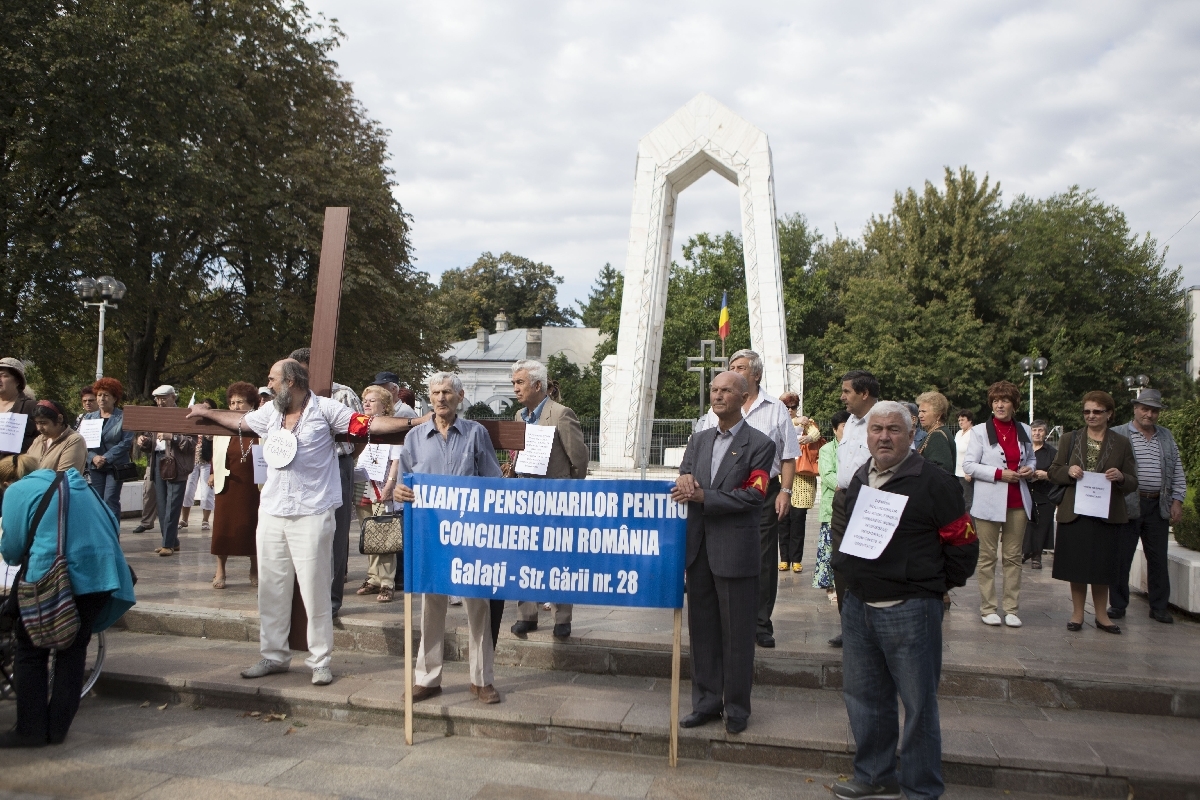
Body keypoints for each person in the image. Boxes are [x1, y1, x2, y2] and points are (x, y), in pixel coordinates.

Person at [186, 359, 424, 686]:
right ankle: (273, 656)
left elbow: (367, 425)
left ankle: (320, 661)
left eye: (273, 380)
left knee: (315, 589)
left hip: (313, 512)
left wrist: (417, 422)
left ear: (292, 382)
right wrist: (210, 413)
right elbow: (241, 421)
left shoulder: (326, 410)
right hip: (272, 511)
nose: (268, 386)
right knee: (271, 588)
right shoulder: (271, 412)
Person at [831, 401, 978, 800]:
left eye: (893, 429)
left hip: (911, 611)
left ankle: (921, 788)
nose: (883, 436)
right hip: (860, 608)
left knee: (918, 706)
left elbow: (963, 546)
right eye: (876, 429)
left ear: (911, 434)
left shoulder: (935, 482)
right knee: (864, 699)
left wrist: (929, 587)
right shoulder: (862, 478)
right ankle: (875, 774)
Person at [0, 460, 136, 748]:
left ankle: (30, 730)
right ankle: (57, 729)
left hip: (53, 577)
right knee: (73, 653)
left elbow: (12, 552)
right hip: (101, 576)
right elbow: (111, 522)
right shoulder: (78, 482)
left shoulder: (17, 492)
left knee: (31, 651)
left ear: (5, 483)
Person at [672, 370, 774, 734]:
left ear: (743, 396)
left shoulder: (760, 444)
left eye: (726, 390)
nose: (717, 396)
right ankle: (706, 702)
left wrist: (704, 496)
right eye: (714, 390)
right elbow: (685, 478)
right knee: (702, 633)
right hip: (698, 551)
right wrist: (683, 481)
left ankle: (737, 708)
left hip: (735, 552)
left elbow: (754, 495)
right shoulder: (698, 440)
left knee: (736, 635)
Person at [393, 372, 503, 704]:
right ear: (429, 396)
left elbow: (493, 481)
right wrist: (400, 493)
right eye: (435, 392)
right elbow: (403, 485)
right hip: (431, 533)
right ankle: (427, 679)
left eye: (447, 393)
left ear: (460, 396)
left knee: (478, 605)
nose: (441, 398)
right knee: (431, 606)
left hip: (470, 533)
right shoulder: (414, 437)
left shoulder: (475, 433)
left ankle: (481, 679)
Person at [694, 349, 798, 649]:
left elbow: (789, 454)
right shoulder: (712, 414)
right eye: (731, 367)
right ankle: (726, 620)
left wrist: (786, 492)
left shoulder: (775, 409)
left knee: (763, 559)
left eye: (741, 368)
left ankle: (761, 622)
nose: (735, 371)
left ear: (756, 375)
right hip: (716, 495)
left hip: (760, 493)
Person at [508, 359, 590, 639]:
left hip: (556, 500)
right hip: (524, 499)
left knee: (558, 557)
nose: (515, 388)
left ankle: (562, 617)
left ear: (537, 385)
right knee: (524, 556)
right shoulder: (520, 417)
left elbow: (578, 459)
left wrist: (566, 490)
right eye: (514, 383)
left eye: (520, 383)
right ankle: (526, 615)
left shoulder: (561, 413)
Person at [1048, 391, 1137, 634]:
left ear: (1109, 414)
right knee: (1076, 566)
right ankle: (1077, 614)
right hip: (1075, 511)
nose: (1091, 416)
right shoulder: (1070, 438)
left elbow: (1133, 481)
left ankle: (1101, 616)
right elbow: (1053, 472)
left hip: (1106, 513)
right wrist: (1069, 471)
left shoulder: (1121, 442)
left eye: (1097, 411)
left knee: (1103, 566)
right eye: (1087, 411)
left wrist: (1120, 477)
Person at [288, 348, 363, 619]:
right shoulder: (290, 396)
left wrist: (343, 460)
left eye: (297, 369)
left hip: (336, 464)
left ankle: (330, 602)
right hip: (300, 467)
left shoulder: (342, 394)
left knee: (334, 533)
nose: (291, 376)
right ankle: (300, 597)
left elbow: (361, 433)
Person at [963, 381, 1036, 628]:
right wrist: (998, 473)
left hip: (1017, 501)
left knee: (1014, 557)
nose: (999, 405)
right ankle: (988, 607)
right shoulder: (980, 431)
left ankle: (1012, 608)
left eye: (1004, 400)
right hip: (988, 502)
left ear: (1014, 404)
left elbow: (1032, 458)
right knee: (987, 557)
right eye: (995, 401)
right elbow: (969, 465)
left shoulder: (1023, 429)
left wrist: (1030, 469)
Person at [1110, 389, 1183, 624]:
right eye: (1145, 409)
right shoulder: (1118, 434)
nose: (1149, 414)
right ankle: (1118, 605)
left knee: (1158, 558)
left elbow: (1177, 470)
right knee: (1122, 556)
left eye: (1154, 410)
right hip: (1127, 502)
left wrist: (1177, 500)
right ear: (1135, 408)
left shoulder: (1166, 437)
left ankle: (1159, 606)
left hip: (1157, 504)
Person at [829, 370, 881, 649]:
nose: (842, 397)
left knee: (867, 564)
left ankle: (872, 627)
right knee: (841, 563)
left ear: (864, 393)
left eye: (847, 391)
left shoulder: (883, 420)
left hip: (871, 499)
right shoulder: (849, 421)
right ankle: (849, 625)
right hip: (844, 499)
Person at [208, 382, 261, 590]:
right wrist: (213, 471)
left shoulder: (260, 426)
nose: (235, 406)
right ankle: (220, 570)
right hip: (227, 484)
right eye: (231, 402)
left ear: (251, 405)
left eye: (240, 402)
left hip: (253, 485)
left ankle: (255, 568)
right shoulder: (222, 426)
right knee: (223, 526)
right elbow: (216, 452)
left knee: (253, 526)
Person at [353, 384, 402, 603]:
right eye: (366, 400)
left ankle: (387, 582)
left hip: (381, 485)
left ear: (385, 404)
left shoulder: (392, 425)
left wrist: (390, 484)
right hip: (361, 483)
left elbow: (396, 459)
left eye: (372, 400)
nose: (367, 404)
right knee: (368, 532)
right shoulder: (360, 426)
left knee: (384, 534)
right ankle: (373, 578)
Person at [136, 385, 195, 557]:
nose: (159, 402)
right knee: (161, 505)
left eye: (163, 398)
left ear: (173, 397)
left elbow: (191, 443)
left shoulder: (185, 416)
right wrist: (144, 441)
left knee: (173, 505)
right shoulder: (155, 416)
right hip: (158, 461)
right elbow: (150, 441)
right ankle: (172, 541)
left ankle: (167, 544)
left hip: (177, 464)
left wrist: (173, 437)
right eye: (157, 399)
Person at [81, 378, 134, 521]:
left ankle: (112, 537)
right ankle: (100, 536)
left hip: (115, 466)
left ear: (114, 398)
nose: (101, 398)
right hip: (95, 465)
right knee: (97, 501)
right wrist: (93, 457)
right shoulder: (88, 418)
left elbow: (126, 442)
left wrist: (105, 458)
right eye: (99, 395)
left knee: (110, 499)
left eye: (106, 395)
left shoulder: (123, 417)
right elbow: (82, 443)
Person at [779, 392, 819, 574]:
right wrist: (796, 421)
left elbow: (816, 433)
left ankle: (796, 559)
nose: (789, 410)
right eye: (786, 407)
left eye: (793, 407)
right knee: (782, 520)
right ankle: (784, 558)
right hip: (782, 476)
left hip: (802, 478)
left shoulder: (806, 422)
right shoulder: (779, 421)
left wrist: (808, 438)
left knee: (798, 520)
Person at [813, 411, 850, 602]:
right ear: (835, 429)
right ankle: (831, 585)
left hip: (853, 504)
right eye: (844, 426)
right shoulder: (827, 449)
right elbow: (827, 474)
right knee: (830, 548)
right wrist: (845, 486)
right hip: (833, 504)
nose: (847, 429)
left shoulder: (856, 447)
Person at [1023, 420, 1058, 570]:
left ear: (1045, 433)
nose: (1037, 433)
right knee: (1025, 524)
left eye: (1040, 431)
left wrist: (1046, 475)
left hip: (1044, 493)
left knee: (1042, 526)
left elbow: (1058, 472)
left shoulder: (1052, 452)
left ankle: (1036, 556)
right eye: (1034, 430)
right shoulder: (1024, 449)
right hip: (1025, 491)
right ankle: (1025, 551)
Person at [181, 399, 215, 531]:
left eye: (208, 408)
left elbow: (213, 439)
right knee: (188, 491)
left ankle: (205, 520)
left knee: (207, 493)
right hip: (192, 461)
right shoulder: (194, 421)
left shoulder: (213, 423)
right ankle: (184, 519)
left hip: (207, 462)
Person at [31, 400, 87, 473]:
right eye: (37, 423)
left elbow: (63, 478)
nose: (39, 428)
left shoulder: (74, 440)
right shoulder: (39, 440)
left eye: (43, 423)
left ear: (59, 419)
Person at [0, 357, 38, 454]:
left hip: (17, 466)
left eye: (4, 376)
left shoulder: (32, 407)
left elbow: (44, 440)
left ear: (17, 381)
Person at [915, 391, 956, 474]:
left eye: (924, 411)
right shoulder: (936, 433)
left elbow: (940, 472)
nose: (920, 415)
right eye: (919, 411)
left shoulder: (937, 436)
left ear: (938, 415)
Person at [954, 410, 975, 509]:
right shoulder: (958, 433)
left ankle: (970, 523)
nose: (960, 422)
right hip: (957, 472)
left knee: (968, 502)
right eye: (959, 420)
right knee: (959, 500)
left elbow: (974, 453)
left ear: (970, 421)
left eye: (963, 420)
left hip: (966, 474)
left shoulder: (973, 433)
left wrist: (969, 471)